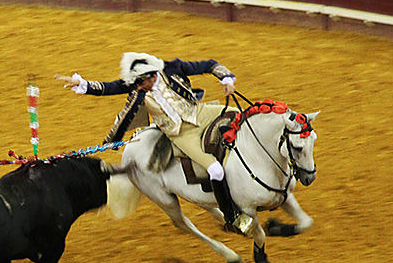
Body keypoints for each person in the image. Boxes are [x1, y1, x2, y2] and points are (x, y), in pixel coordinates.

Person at [58, 52, 254, 235]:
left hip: (200, 113)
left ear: (152, 75)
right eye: (137, 84)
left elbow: (209, 65)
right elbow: (108, 88)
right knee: (215, 170)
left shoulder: (172, 68)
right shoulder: (137, 87)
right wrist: (80, 83)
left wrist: (226, 79)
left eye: (143, 83)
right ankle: (232, 216)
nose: (140, 88)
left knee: (243, 117)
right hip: (181, 134)